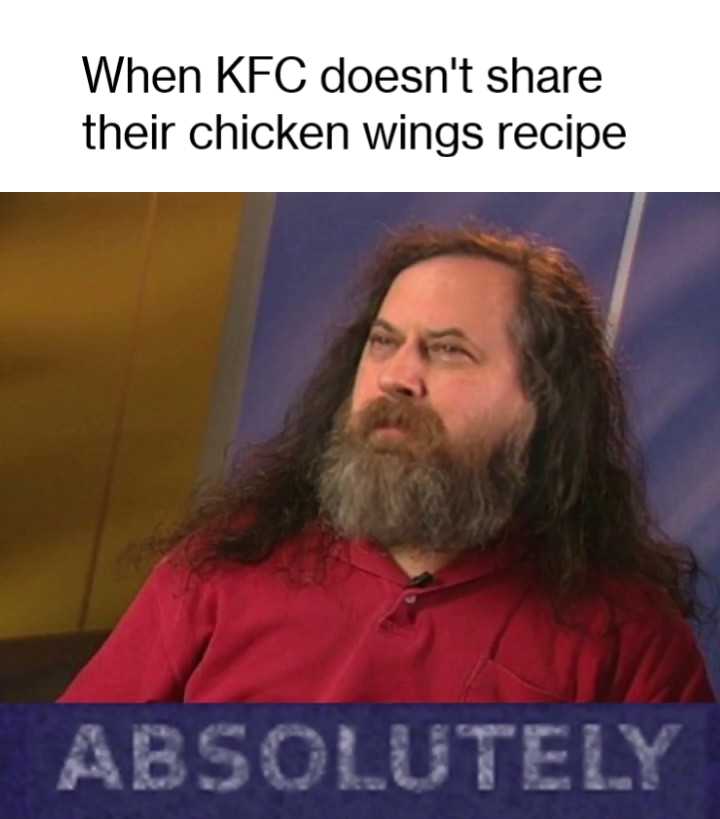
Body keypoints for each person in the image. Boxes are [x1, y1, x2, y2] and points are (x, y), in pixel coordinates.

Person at [60, 224, 715, 703]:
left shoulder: (629, 644)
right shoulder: (222, 569)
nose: (397, 377)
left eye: (449, 351)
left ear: (540, 406)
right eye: (383, 343)